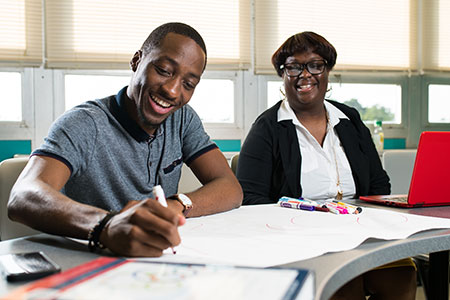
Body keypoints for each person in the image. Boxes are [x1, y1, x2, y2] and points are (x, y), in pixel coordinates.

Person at [8, 22, 242, 258]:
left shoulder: (182, 119)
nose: (172, 91)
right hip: (93, 261)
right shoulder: (85, 123)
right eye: (163, 70)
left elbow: (230, 188)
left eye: (188, 84)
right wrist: (106, 225)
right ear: (136, 61)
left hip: (157, 262)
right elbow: (23, 195)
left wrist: (176, 204)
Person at [236, 32, 416, 300]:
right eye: (294, 66)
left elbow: (379, 183)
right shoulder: (267, 128)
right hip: (303, 238)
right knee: (344, 283)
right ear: (283, 75)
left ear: (327, 70)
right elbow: (250, 198)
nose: (304, 74)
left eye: (315, 65)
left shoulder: (350, 119)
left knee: (402, 275)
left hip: (363, 231)